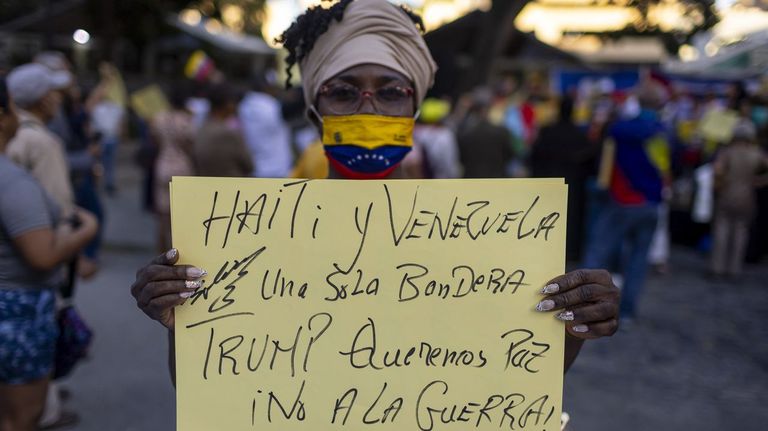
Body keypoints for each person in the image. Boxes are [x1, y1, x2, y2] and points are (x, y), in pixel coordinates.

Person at [130, 0, 620, 382]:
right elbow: (212, 388)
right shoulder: (255, 240)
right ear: (315, 111)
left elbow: (508, 383)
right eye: (343, 92)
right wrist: (180, 319)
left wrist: (573, 324)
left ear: (414, 109)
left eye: (391, 92)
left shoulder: (482, 241)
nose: (370, 109)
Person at [0, 77, 98, 431]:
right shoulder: (12, 182)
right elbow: (41, 255)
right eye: (12, 107)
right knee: (21, 417)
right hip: (18, 311)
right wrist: (87, 229)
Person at [583, 84, 670, 322]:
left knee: (598, 252)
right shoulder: (664, 132)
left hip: (621, 200)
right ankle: (627, 312)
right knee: (638, 261)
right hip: (651, 203)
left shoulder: (621, 129)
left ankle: (584, 305)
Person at [531, 96, 598, 262]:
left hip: (548, 186)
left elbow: (534, 157)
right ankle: (569, 252)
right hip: (573, 187)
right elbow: (589, 160)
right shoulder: (579, 134)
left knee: (547, 220)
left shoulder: (548, 131)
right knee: (571, 221)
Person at [711, 121, 768, 278]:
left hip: (727, 193)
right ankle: (734, 269)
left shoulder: (728, 152)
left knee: (722, 230)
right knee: (741, 232)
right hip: (747, 195)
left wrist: (721, 182)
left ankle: (717, 267)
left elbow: (718, 170)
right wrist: (759, 181)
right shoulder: (756, 153)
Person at [151, 88, 195, 254]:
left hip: (163, 163)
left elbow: (155, 140)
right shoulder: (186, 120)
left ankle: (161, 253)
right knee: (180, 216)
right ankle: (178, 251)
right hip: (182, 165)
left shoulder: (159, 118)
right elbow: (191, 144)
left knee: (162, 216)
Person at [193, 84, 253, 177]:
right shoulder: (229, 134)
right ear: (228, 104)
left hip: (206, 183)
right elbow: (249, 166)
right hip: (230, 183)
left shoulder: (200, 130)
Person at [238, 75, 293, 178]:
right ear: (266, 87)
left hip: (257, 169)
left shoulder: (244, 105)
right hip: (278, 170)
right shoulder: (270, 105)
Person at [458, 87, 515, 178]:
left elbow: (461, 158)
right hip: (496, 179)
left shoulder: (465, 133)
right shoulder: (502, 132)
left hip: (472, 180)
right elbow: (510, 154)